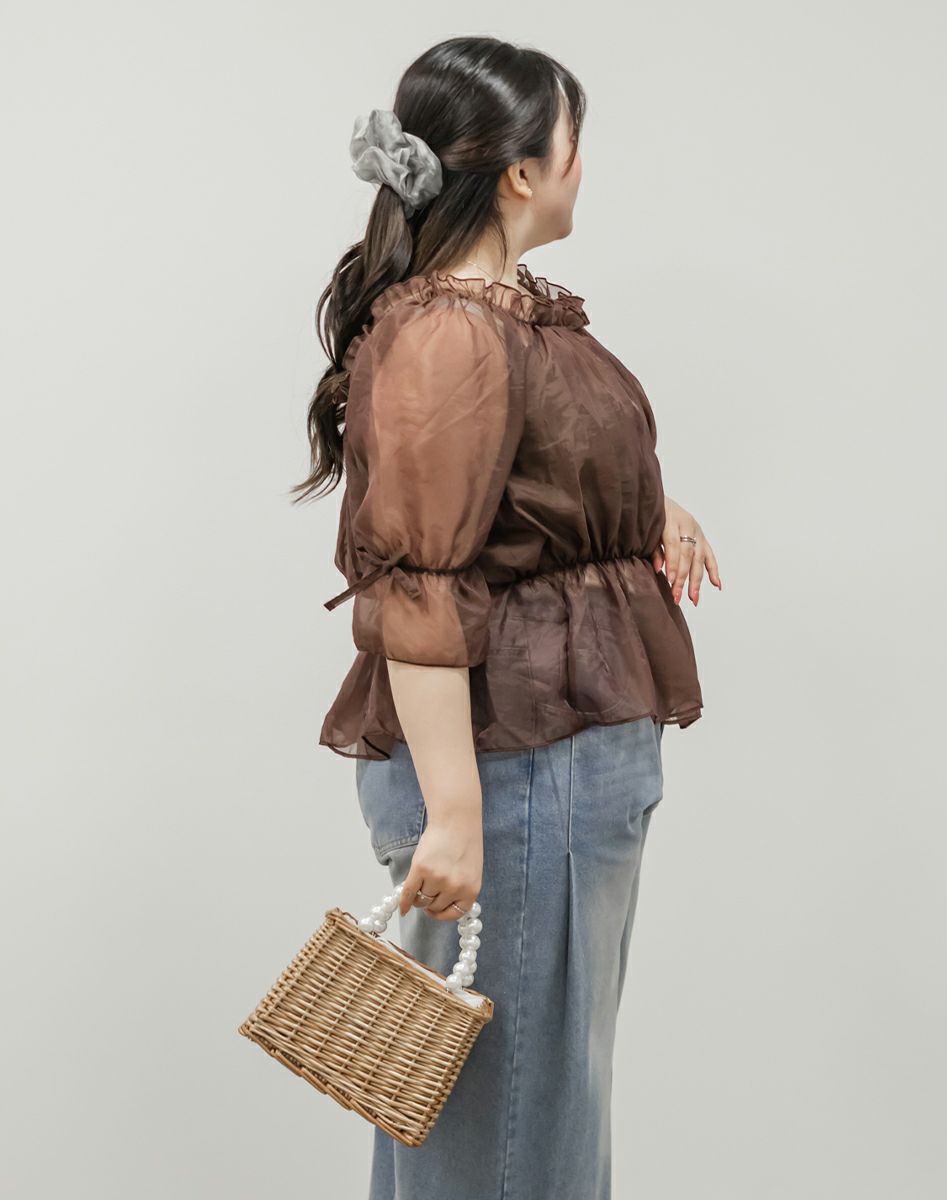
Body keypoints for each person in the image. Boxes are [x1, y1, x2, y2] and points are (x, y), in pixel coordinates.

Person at [290, 35, 721, 1200]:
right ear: (524, 171)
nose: (585, 164)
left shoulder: (505, 315)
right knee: (512, 1136)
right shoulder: (452, 333)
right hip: (518, 771)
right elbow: (418, 580)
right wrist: (456, 815)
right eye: (574, 141)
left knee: (520, 1120)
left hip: (550, 766)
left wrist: (645, 509)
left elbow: (523, 474)